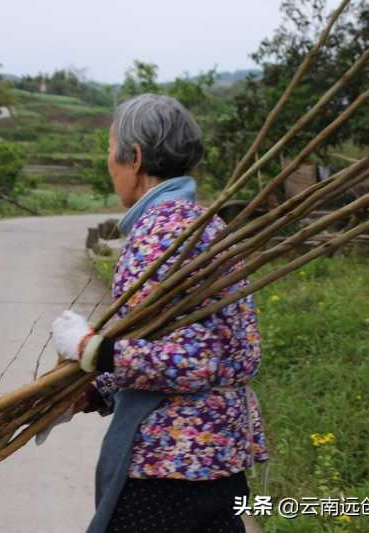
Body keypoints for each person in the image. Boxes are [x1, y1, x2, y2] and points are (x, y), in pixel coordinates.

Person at [49, 94, 268, 533]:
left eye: (111, 151)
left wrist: (91, 349)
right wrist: (96, 392)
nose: (108, 164)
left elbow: (192, 360)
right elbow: (198, 348)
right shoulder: (206, 224)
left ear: (135, 157)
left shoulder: (159, 234)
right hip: (219, 456)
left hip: (170, 466)